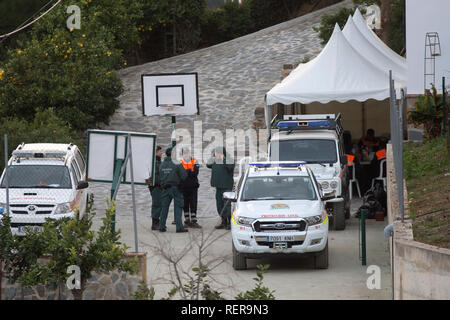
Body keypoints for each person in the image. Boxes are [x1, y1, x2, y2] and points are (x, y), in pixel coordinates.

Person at [159, 147, 188, 233]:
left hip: (165, 188)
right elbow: (184, 175)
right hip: (175, 188)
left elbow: (160, 176)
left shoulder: (162, 164)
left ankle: (161, 226)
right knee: (178, 207)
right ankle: (179, 227)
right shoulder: (177, 163)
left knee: (164, 208)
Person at [206, 146, 235, 230]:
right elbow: (208, 164)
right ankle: (223, 221)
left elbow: (230, 168)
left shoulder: (229, 160)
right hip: (218, 186)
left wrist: (223, 159)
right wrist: (212, 157)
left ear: (223, 153)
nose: (217, 154)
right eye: (216, 153)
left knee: (227, 205)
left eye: (218, 153)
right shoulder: (215, 160)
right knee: (219, 204)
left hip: (226, 186)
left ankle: (229, 221)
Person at [180, 147, 201, 228]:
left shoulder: (195, 161)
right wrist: (189, 170)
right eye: (184, 153)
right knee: (185, 204)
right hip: (184, 186)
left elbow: (195, 172)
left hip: (193, 186)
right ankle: (187, 220)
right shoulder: (180, 162)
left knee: (193, 203)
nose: (186, 154)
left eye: (187, 153)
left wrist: (187, 171)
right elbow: (180, 174)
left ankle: (194, 220)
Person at [148, 145, 163, 230]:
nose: (162, 153)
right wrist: (162, 183)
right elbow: (156, 175)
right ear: (156, 152)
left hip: (156, 186)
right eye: (160, 151)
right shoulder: (155, 162)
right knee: (157, 204)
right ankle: (155, 223)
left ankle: (157, 221)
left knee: (158, 204)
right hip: (156, 186)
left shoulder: (157, 161)